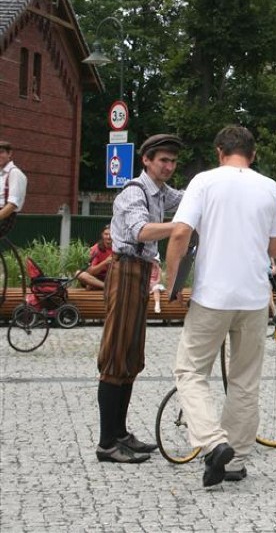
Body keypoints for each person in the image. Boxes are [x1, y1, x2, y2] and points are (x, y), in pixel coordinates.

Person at [167, 125, 276, 487]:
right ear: (253, 154)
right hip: (252, 298)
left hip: (213, 296)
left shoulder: (204, 182)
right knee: (245, 380)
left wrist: (170, 281)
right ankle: (235, 461)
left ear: (220, 151)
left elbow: (179, 233)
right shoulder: (270, 188)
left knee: (190, 371)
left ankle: (212, 441)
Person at [96, 133, 184, 464]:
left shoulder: (163, 192)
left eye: (173, 162)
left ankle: (121, 434)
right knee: (116, 354)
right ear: (146, 160)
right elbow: (140, 231)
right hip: (125, 270)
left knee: (131, 356)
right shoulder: (134, 191)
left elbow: (191, 198)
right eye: (163, 160)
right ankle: (107, 442)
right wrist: (178, 226)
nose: (169, 166)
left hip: (141, 271)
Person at [0, 139, 28, 237]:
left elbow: (12, 204)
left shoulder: (15, 173)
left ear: (9, 153)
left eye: (1, 152)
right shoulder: (1, 174)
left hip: (5, 217)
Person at [77, 225, 113, 290]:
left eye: (111, 234)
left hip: (113, 278)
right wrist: (105, 262)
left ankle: (97, 286)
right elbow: (91, 272)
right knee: (79, 274)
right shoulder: (96, 248)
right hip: (97, 279)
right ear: (102, 235)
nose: (108, 237)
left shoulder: (119, 248)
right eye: (106, 234)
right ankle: (105, 287)